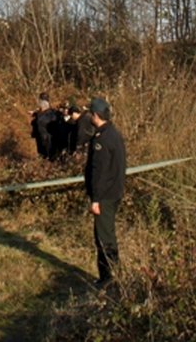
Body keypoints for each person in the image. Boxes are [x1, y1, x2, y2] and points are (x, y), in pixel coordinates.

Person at [84, 96, 126, 288]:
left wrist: (96, 199)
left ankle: (109, 277)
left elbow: (99, 172)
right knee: (106, 234)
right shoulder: (114, 134)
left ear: (95, 115)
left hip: (105, 197)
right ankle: (110, 275)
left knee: (103, 237)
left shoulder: (102, 140)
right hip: (114, 193)